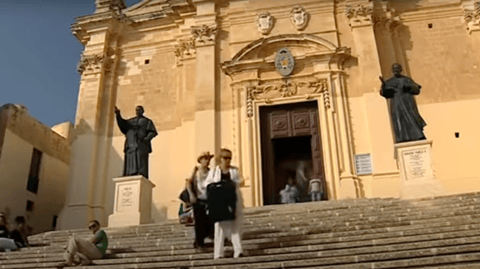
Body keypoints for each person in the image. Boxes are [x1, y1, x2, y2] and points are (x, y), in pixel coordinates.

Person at [205, 148, 244, 259]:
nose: (227, 160)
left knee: (235, 227)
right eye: (225, 157)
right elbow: (207, 185)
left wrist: (231, 184)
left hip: (232, 201)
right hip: (219, 203)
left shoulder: (234, 171)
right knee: (219, 228)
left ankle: (238, 250)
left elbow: (240, 181)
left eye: (229, 158)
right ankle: (218, 253)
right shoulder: (213, 172)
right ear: (220, 159)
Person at [379, 63, 427, 143]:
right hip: (396, 104)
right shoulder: (389, 82)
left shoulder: (406, 79)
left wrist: (408, 86)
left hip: (407, 102)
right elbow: (384, 94)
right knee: (399, 120)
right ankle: (401, 138)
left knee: (411, 118)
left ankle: (418, 136)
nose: (396, 70)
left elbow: (416, 90)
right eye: (394, 69)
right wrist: (383, 86)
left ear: (401, 70)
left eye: (397, 69)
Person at [114, 105, 158, 179]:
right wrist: (118, 115)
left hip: (141, 145)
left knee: (141, 162)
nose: (138, 111)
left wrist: (146, 139)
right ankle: (129, 173)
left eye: (139, 110)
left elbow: (152, 132)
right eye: (137, 110)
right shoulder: (131, 121)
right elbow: (123, 124)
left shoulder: (147, 121)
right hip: (131, 145)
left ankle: (140, 173)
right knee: (130, 161)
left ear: (143, 111)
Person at [185, 151, 214, 251]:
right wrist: (191, 195)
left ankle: (201, 240)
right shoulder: (196, 172)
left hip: (208, 200)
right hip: (198, 200)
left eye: (209, 159)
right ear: (200, 160)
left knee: (208, 220)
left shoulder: (211, 172)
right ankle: (199, 243)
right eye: (205, 158)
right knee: (199, 222)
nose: (207, 161)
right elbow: (188, 183)